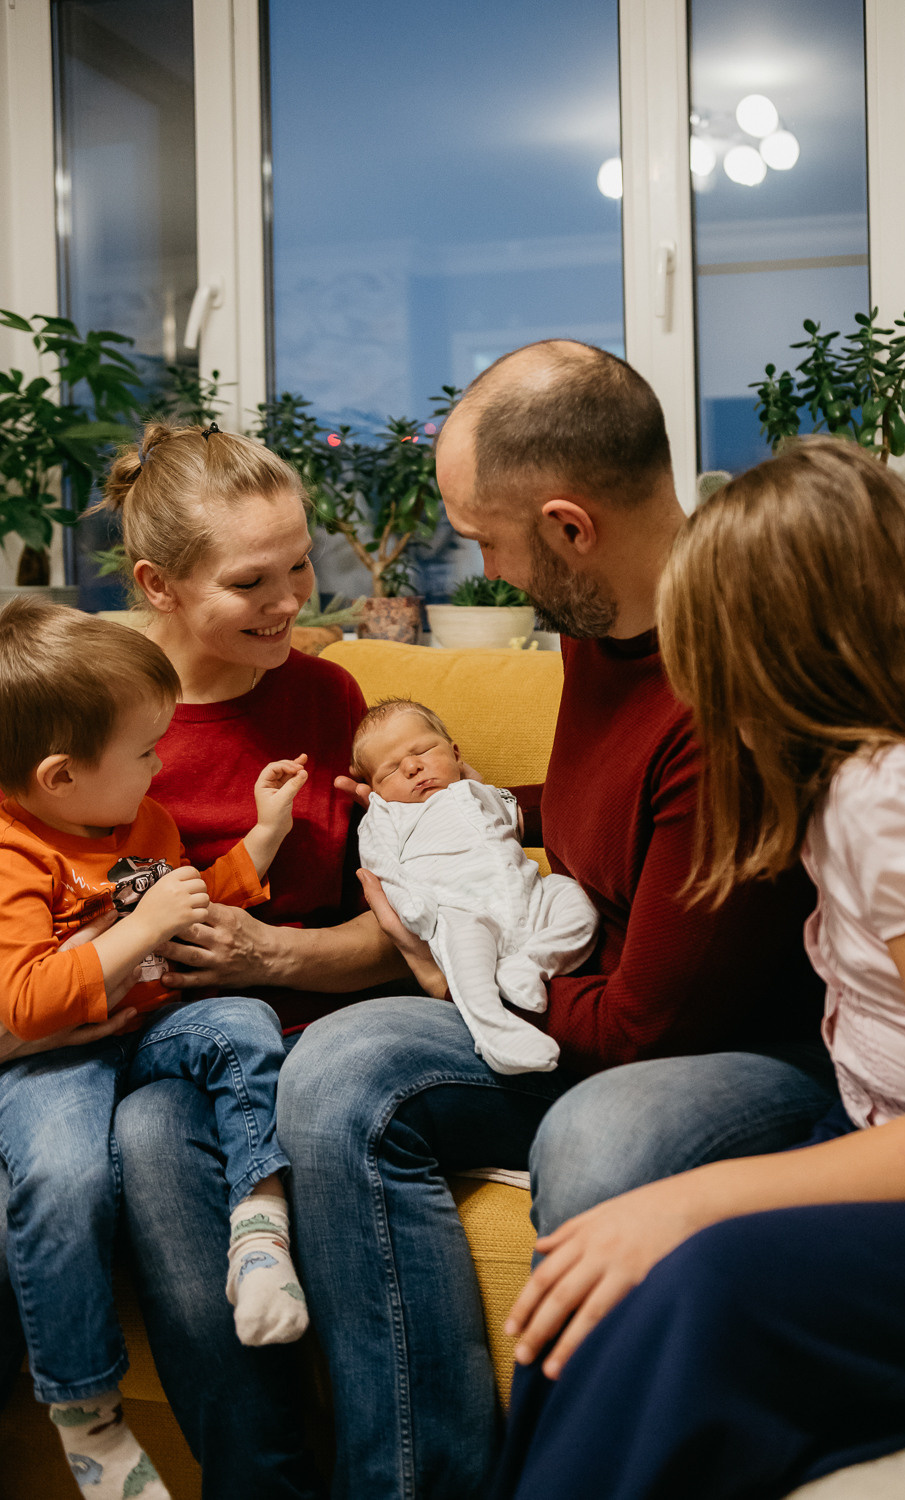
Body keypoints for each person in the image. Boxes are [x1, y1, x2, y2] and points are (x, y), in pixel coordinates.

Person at [276, 340, 836, 1498]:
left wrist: (455, 984)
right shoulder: (600, 628)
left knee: (602, 1136)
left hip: (734, 1050)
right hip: (578, 990)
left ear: (571, 528)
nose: (484, 571)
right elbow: (603, 811)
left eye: (488, 540)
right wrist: (438, 816)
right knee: (333, 1074)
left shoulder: (722, 684)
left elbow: (645, 1027)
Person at [493, 437, 905, 1500]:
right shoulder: (843, 780)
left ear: (777, 642)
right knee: (599, 1291)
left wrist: (693, 1200)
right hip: (877, 1135)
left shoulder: (899, 796)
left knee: (687, 1279)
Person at [0, 421, 408, 1500]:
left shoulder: (327, 702)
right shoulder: (81, 706)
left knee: (168, 1117)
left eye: (299, 565)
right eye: (250, 581)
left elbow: (396, 929)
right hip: (109, 1031)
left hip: (279, 1024)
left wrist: (273, 950)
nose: (291, 602)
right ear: (158, 585)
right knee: (121, 1134)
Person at [0, 598, 310, 1500]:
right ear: (60, 777)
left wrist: (263, 836)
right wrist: (139, 932)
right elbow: (23, 1000)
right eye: (144, 752)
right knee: (64, 1178)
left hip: (150, 1025)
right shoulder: (15, 851)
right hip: (50, 1058)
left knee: (244, 1024)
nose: (160, 764)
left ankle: (259, 1227)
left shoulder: (142, 822)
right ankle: (87, 1420)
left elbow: (193, 906)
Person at [352, 698, 598, 1074]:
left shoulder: (479, 791)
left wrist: (480, 786)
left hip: (529, 893)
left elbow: (515, 815)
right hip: (459, 909)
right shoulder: (387, 814)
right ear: (374, 791)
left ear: (455, 752)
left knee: (575, 899)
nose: (413, 766)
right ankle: (495, 1031)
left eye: (423, 750)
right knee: (466, 964)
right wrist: (411, 902)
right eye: (389, 772)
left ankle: (532, 964)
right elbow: (381, 865)